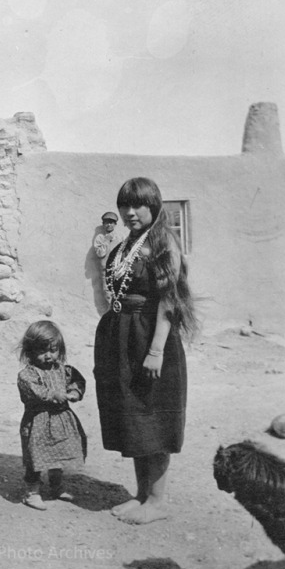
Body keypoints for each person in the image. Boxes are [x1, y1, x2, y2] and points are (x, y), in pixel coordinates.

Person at [94, 177, 197, 524]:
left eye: (138, 205)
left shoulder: (164, 240)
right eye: (125, 205)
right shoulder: (128, 243)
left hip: (150, 335)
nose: (130, 212)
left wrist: (156, 350)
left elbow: (169, 300)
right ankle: (141, 495)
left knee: (153, 416)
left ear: (154, 206)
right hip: (123, 337)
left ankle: (157, 501)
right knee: (134, 416)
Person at [17, 320, 87, 511]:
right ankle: (32, 492)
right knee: (36, 458)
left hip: (61, 420)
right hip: (38, 422)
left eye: (53, 350)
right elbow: (33, 390)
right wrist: (53, 394)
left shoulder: (63, 370)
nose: (49, 356)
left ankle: (56, 486)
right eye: (42, 351)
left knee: (59, 454)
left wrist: (74, 392)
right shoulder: (28, 374)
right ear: (30, 351)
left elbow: (77, 380)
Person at [94, 212, 125, 304]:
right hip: (106, 271)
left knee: (120, 293)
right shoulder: (100, 238)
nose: (109, 225)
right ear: (103, 224)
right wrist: (107, 240)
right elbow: (100, 254)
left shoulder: (120, 237)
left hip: (119, 270)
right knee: (108, 295)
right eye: (106, 222)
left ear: (115, 224)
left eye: (111, 222)